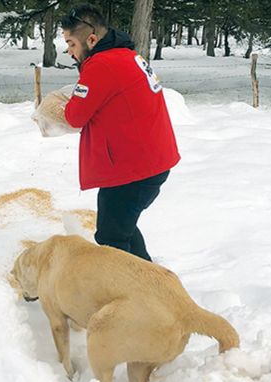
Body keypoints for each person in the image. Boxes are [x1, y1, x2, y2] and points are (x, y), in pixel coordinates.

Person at [61, 4, 180, 262]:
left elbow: (74, 116)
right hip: (148, 163)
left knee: (111, 238)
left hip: (134, 171)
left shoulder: (101, 65)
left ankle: (135, 294)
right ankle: (152, 284)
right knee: (121, 228)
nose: (69, 52)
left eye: (71, 44)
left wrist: (63, 102)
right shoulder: (128, 55)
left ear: (91, 39)